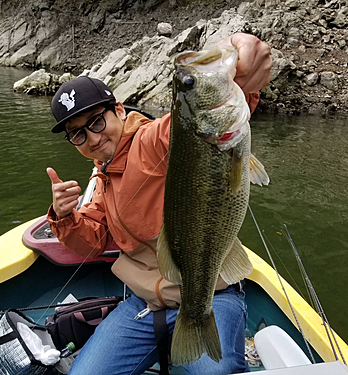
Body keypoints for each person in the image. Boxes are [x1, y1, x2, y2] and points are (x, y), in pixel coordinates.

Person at [46, 33, 272, 375]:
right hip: (145, 303)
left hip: (212, 293)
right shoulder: (103, 176)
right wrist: (63, 217)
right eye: (78, 134)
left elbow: (198, 122)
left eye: (96, 121)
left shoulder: (155, 140)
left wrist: (243, 68)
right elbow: (91, 241)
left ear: (119, 110)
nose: (92, 138)